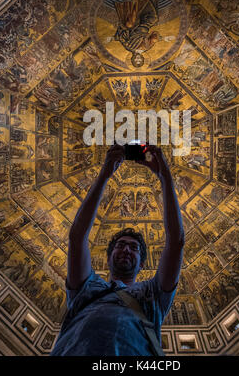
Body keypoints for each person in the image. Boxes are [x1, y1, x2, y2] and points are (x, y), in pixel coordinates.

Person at [50, 143, 185, 356]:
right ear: (108, 256)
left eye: (134, 247)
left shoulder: (152, 293)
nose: (126, 250)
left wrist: (165, 176)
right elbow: (77, 238)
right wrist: (105, 173)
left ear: (142, 263)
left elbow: (176, 242)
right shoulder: (87, 287)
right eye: (120, 245)